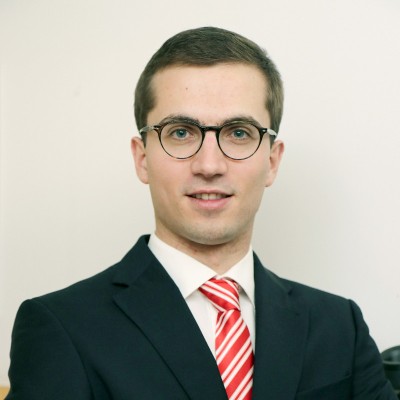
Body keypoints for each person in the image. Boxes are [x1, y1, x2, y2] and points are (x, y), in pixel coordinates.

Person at [6, 27, 396, 400]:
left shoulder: (340, 327)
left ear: (272, 162)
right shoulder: (62, 328)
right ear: (142, 158)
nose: (209, 165)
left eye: (239, 133)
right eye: (180, 132)